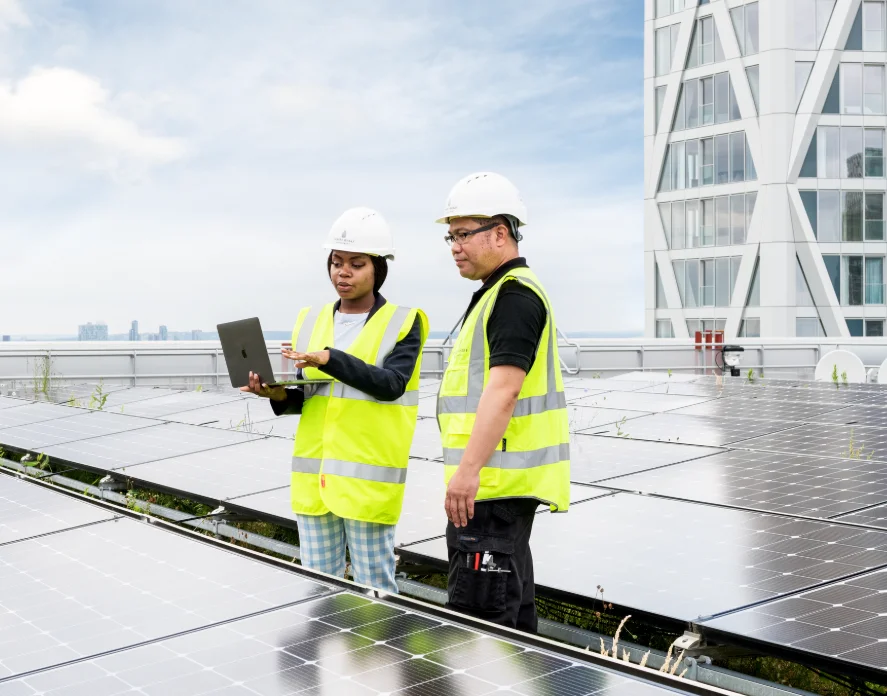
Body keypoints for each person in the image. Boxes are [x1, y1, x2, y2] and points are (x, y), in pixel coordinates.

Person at [242, 207, 428, 594]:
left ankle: (374, 658)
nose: (342, 272)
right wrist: (274, 393)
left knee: (374, 591)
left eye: (356, 264)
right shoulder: (310, 319)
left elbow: (391, 384)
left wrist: (329, 358)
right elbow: (307, 396)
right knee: (318, 590)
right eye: (336, 262)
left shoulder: (405, 321)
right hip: (315, 481)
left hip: (366, 482)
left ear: (378, 268)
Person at [434, 172, 570, 632]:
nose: (455, 245)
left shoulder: (513, 297)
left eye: (464, 234)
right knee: (509, 625)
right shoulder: (501, 293)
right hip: (496, 493)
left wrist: (467, 472)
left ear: (500, 233)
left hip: (491, 491)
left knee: (480, 632)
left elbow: (504, 390)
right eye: (450, 236)